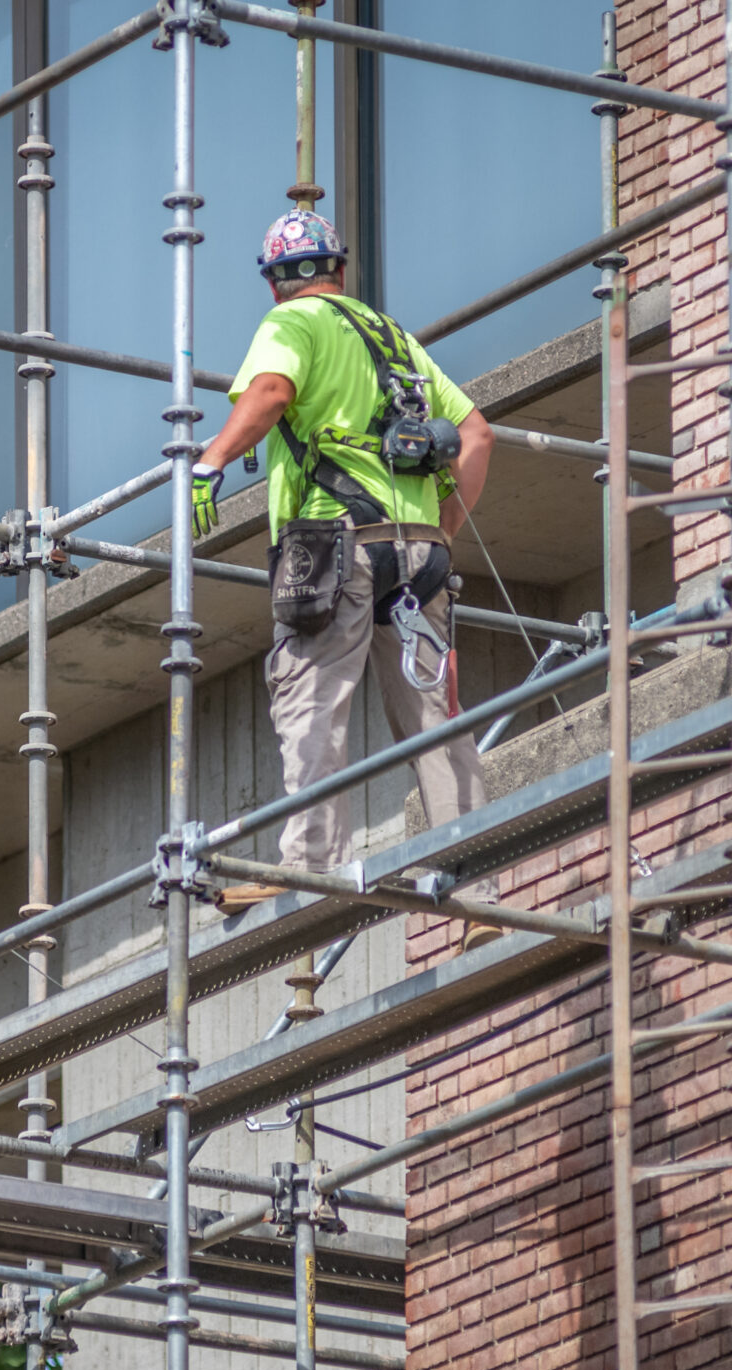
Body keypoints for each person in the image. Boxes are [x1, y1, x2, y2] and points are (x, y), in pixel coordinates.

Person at [189, 210, 500, 943]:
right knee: (433, 716)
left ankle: (312, 870)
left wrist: (211, 461)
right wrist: (444, 530)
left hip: (337, 547)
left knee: (313, 699)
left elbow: (269, 394)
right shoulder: (392, 338)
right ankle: (479, 885)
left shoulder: (293, 326)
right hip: (420, 555)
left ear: (276, 281)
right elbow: (478, 433)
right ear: (339, 268)